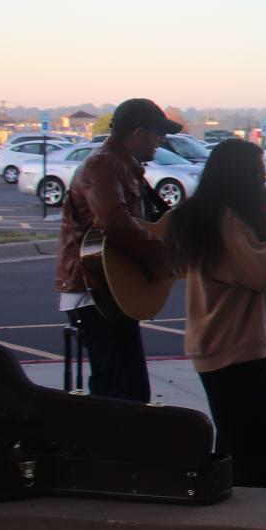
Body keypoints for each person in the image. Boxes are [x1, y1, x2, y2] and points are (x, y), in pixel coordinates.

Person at [166, 139, 266, 488]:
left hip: (224, 344)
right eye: (259, 173)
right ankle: (259, 518)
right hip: (233, 349)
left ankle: (239, 511)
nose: (265, 181)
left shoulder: (212, 215)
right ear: (240, 176)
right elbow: (264, 268)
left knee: (238, 442)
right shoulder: (225, 220)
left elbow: (234, 277)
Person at [55, 98, 181, 402]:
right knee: (125, 392)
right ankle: (112, 448)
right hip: (94, 289)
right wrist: (163, 255)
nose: (161, 141)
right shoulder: (104, 165)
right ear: (137, 133)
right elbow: (115, 222)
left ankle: (110, 446)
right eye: (157, 134)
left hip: (110, 289)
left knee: (120, 388)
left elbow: (140, 223)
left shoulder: (125, 167)